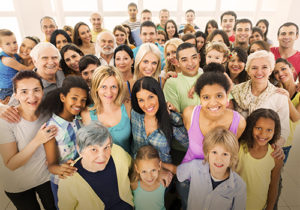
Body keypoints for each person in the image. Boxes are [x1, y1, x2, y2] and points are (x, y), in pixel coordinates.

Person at [179, 69, 246, 209]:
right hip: (190, 180)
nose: (213, 103)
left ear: (228, 96)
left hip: (220, 184)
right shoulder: (190, 113)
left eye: (219, 96)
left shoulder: (238, 122)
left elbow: (231, 150)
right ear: (199, 98)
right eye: (206, 97)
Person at [0, 71, 57, 210]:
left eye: (36, 90)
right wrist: (37, 140)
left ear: (43, 91)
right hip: (19, 185)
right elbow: (11, 164)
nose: (31, 97)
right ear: (15, 94)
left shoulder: (47, 112)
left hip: (45, 178)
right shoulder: (6, 121)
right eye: (24, 91)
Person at [58, 121, 134, 210]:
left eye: (106, 147)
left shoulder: (118, 153)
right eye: (94, 149)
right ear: (80, 150)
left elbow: (134, 169)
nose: (102, 157)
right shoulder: (69, 179)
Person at [40, 76, 90, 208]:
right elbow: (51, 166)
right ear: (63, 97)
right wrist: (60, 168)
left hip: (82, 179)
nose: (79, 103)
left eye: (83, 100)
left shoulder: (79, 120)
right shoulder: (52, 129)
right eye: (74, 98)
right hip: (62, 183)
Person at [177, 127, 246, 210]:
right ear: (207, 153)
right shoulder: (195, 166)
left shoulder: (239, 186)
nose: (219, 159)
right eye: (214, 152)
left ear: (232, 157)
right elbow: (177, 172)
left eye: (225, 154)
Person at [231, 50, 290, 147]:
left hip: (265, 149)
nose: (259, 72)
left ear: (271, 70)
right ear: (248, 70)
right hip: (237, 146)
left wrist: (275, 148)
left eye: (264, 67)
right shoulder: (235, 91)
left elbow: (284, 131)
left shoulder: (279, 96)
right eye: (254, 68)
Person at [0, 42, 65, 123]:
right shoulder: (25, 83)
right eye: (45, 58)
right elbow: (9, 109)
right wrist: (1, 107)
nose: (51, 62)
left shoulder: (61, 73)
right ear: (35, 62)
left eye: (54, 58)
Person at [131, 76, 188, 164]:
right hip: (139, 171)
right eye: (141, 100)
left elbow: (191, 144)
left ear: (158, 95)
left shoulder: (172, 118)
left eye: (151, 97)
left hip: (164, 172)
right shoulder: (135, 114)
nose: (147, 104)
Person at [237, 108, 283, 210]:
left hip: (257, 206)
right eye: (258, 128)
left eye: (269, 130)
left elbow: (273, 186)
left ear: (275, 131)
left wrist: (270, 208)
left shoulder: (276, 156)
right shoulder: (238, 148)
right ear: (250, 127)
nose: (263, 134)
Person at [81, 66, 132, 154]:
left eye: (113, 87)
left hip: (126, 164)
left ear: (119, 88)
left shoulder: (128, 107)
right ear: (96, 88)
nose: (109, 92)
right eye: (103, 87)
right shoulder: (86, 114)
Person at [273, 58, 300, 163]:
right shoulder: (275, 90)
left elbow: (296, 118)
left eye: (283, 69)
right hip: (269, 139)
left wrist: (287, 98)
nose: (280, 73)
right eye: (276, 72)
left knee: (277, 177)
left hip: (284, 144)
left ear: (292, 69)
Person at [163, 42, 202, 114]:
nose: (190, 63)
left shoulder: (209, 76)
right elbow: (174, 117)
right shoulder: (172, 83)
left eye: (194, 57)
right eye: (184, 60)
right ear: (177, 63)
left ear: (199, 57)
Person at [0, 30, 34, 104]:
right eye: (8, 44)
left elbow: (22, 55)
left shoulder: (13, 54)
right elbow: (26, 69)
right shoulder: (7, 60)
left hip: (15, 86)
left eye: (14, 42)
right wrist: (35, 62)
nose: (13, 46)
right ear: (1, 46)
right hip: (8, 91)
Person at [131, 145, 166, 210]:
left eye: (153, 170)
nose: (149, 177)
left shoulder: (164, 181)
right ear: (137, 168)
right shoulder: (134, 184)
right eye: (144, 171)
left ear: (159, 165)